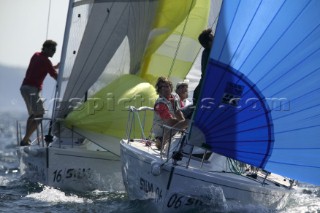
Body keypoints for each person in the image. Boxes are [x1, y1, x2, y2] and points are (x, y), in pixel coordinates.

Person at [19, 40, 59, 146]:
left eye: (55, 50)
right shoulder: (46, 61)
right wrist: (68, 78)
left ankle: (25, 140)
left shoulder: (36, 55)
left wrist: (54, 67)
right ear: (45, 48)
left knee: (33, 115)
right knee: (39, 115)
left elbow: (42, 67)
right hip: (32, 89)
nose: (54, 52)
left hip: (24, 88)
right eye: (52, 49)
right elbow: (55, 76)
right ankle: (24, 141)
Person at [152, 77, 189, 149]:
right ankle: (161, 142)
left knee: (187, 122)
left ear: (171, 87)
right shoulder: (160, 104)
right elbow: (169, 121)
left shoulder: (175, 98)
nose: (165, 89)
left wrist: (184, 125)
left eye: (167, 86)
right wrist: (184, 124)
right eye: (162, 87)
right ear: (159, 89)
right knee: (187, 122)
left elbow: (178, 112)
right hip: (162, 134)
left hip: (175, 133)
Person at [193, 28, 213, 106]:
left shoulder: (207, 52)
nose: (216, 39)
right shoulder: (210, 54)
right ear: (209, 43)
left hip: (201, 90)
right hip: (205, 91)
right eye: (213, 38)